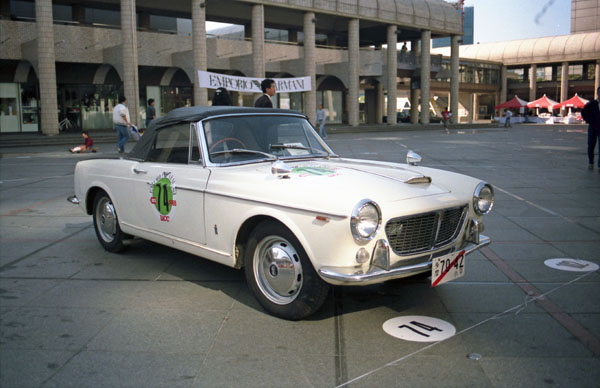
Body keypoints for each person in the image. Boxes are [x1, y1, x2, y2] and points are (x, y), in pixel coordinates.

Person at [581, 86, 600, 172]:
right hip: (593, 127)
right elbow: (583, 112)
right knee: (591, 145)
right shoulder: (592, 104)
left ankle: (599, 165)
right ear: (598, 94)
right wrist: (589, 120)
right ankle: (591, 162)